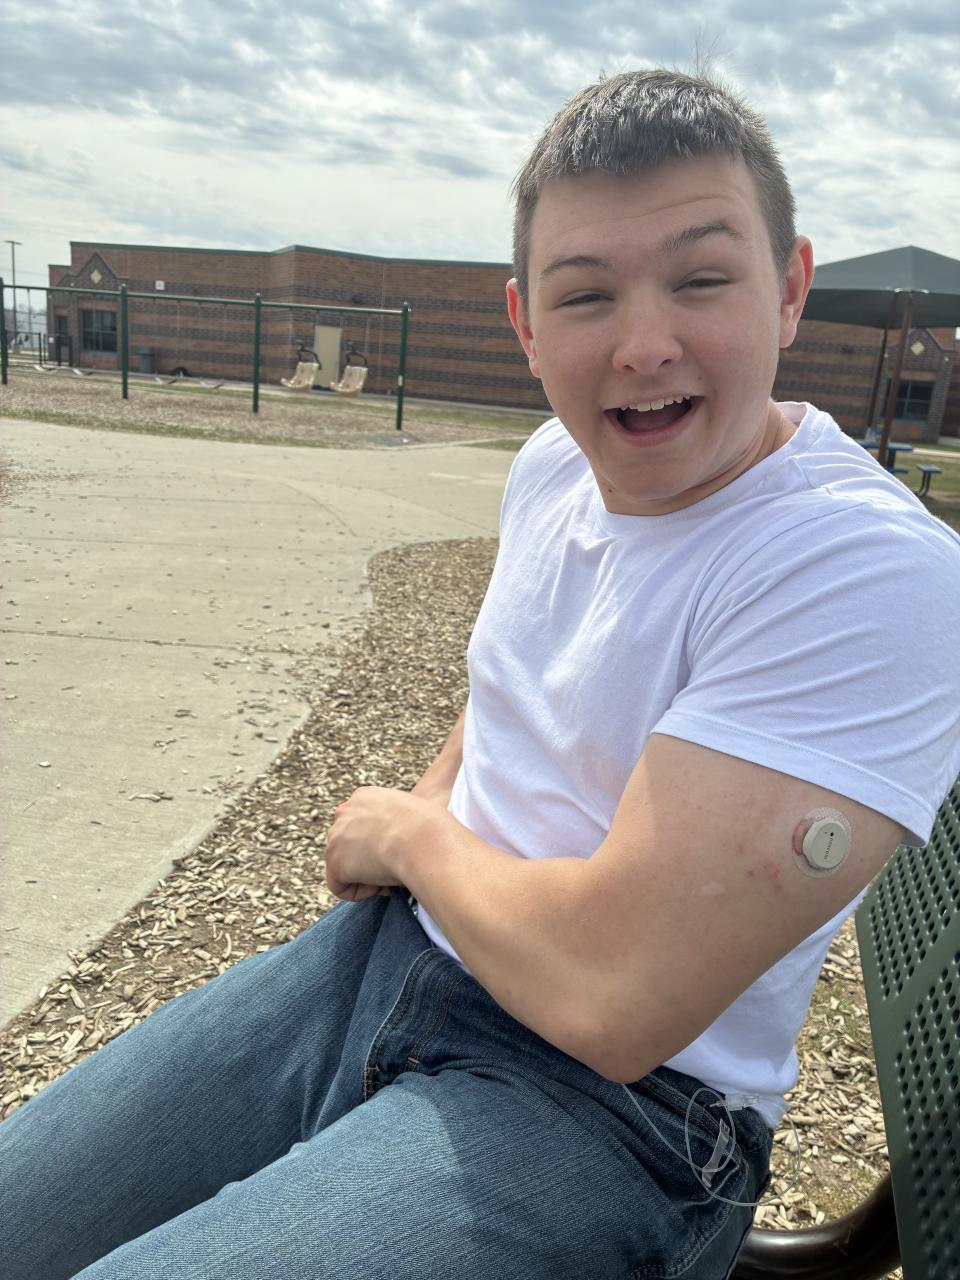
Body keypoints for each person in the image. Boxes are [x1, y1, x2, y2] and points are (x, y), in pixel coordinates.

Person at [3, 68, 960, 1280]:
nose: (644, 343)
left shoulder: (860, 568)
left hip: (623, 1112)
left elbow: (614, 995)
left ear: (789, 287)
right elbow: (513, 679)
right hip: (400, 955)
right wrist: (433, 800)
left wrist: (412, 837)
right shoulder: (554, 464)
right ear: (526, 323)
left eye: (702, 278)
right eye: (586, 294)